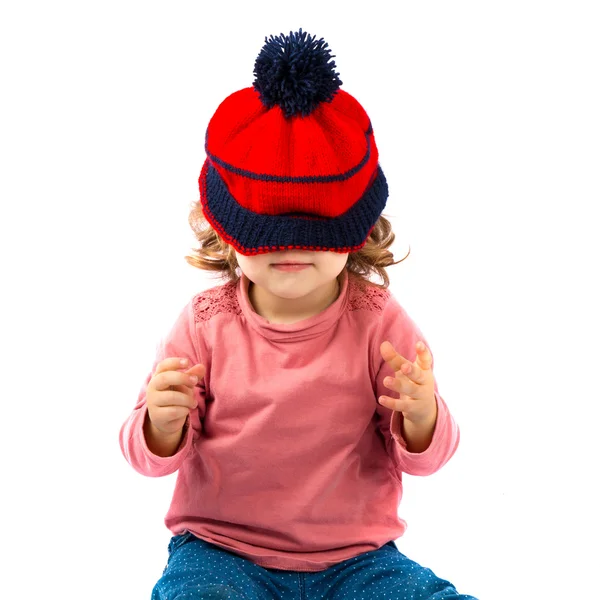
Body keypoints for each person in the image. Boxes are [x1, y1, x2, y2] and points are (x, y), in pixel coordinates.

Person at [119, 29, 478, 600]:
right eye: (267, 234)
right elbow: (149, 458)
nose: (291, 250)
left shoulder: (379, 322)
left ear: (356, 230)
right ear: (225, 228)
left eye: (315, 233)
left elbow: (427, 458)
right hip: (221, 551)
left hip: (357, 560)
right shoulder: (204, 323)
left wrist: (421, 415)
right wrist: (161, 424)